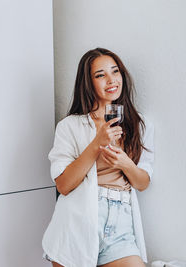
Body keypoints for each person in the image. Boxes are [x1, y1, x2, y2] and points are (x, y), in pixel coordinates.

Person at [42, 48, 154, 267]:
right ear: (88, 82)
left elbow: (143, 182)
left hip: (120, 226)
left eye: (115, 72)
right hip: (75, 225)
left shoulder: (139, 125)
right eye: (100, 75)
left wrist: (125, 163)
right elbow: (63, 185)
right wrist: (96, 144)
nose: (111, 80)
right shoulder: (70, 126)